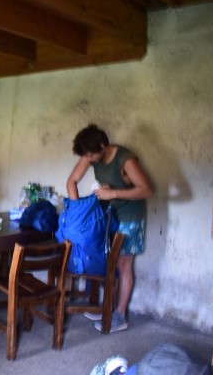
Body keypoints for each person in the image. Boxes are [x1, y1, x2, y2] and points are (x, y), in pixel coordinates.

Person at [66, 124, 153, 333]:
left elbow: (147, 189)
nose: (88, 159)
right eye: (85, 155)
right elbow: (71, 182)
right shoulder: (91, 154)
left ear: (103, 146)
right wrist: (78, 212)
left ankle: (120, 315)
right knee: (109, 264)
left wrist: (113, 194)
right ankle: (107, 308)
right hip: (109, 215)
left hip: (131, 217)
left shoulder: (125, 159)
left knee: (123, 264)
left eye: (90, 155)